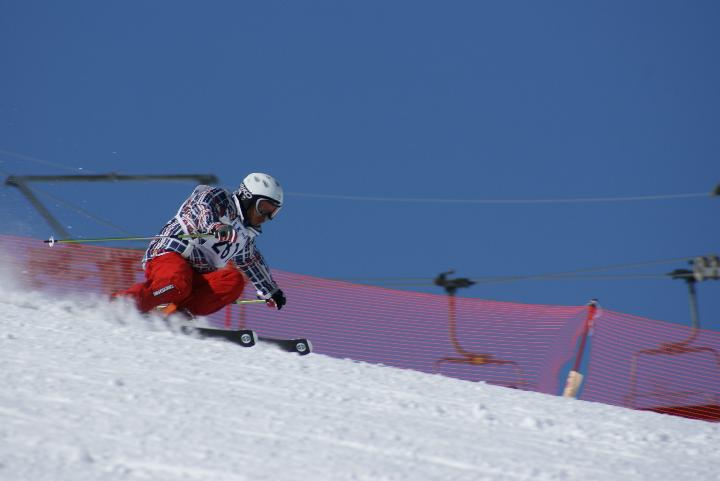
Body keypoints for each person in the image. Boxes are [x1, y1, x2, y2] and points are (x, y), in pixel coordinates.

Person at [115, 172, 286, 317]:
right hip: (172, 254)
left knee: (233, 281)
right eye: (263, 208)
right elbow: (202, 207)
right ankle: (124, 305)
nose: (266, 217)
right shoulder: (221, 199)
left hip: (197, 275)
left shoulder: (245, 236)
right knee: (177, 283)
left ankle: (177, 315)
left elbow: (250, 261)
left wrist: (271, 290)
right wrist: (215, 226)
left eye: (273, 212)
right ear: (247, 197)